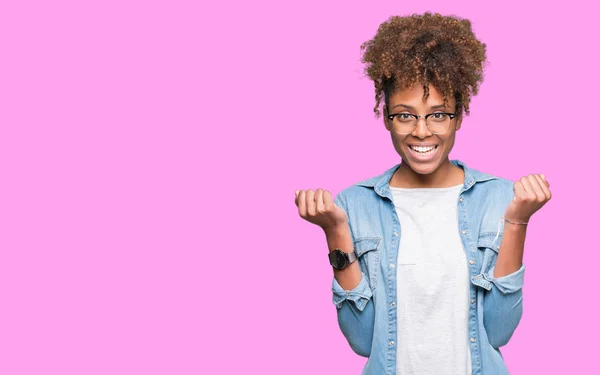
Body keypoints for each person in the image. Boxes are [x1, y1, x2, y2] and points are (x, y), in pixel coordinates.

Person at [294, 12, 551, 375]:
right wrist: (334, 231)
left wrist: (518, 220)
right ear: (386, 118)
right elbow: (362, 341)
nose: (421, 131)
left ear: (459, 116)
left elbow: (499, 331)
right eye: (405, 115)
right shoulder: (354, 204)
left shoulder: (499, 198)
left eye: (438, 114)